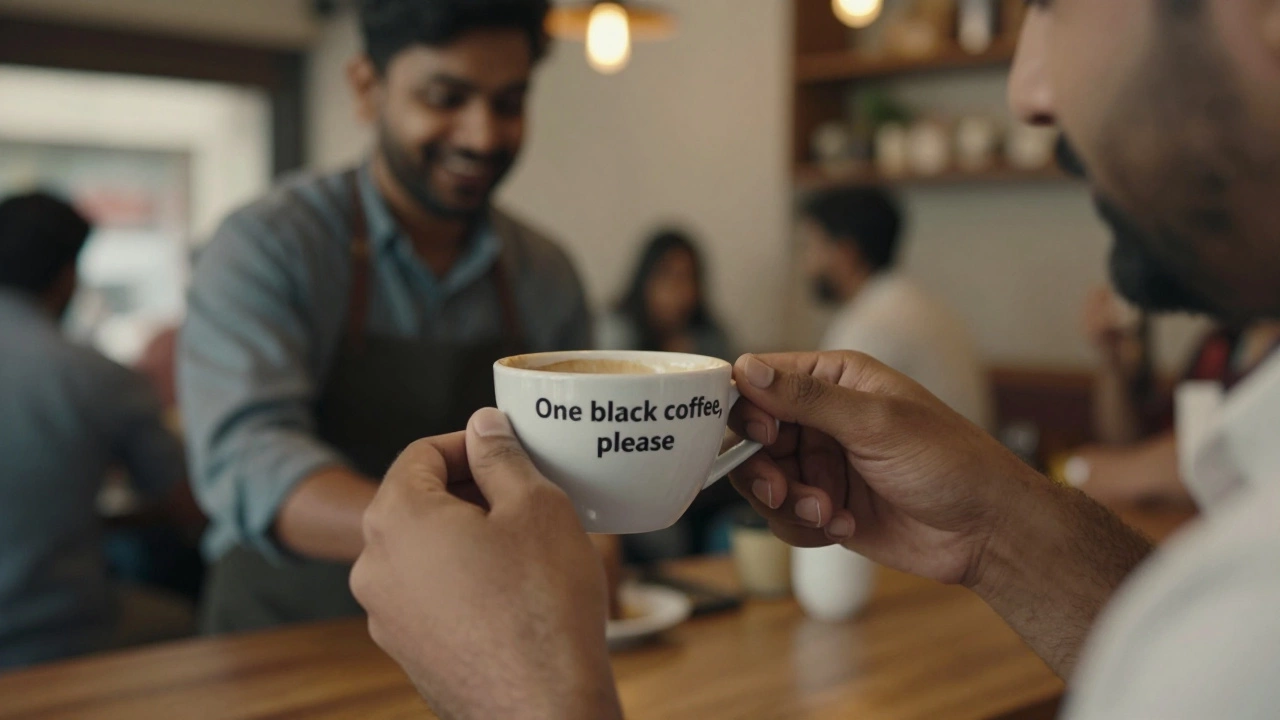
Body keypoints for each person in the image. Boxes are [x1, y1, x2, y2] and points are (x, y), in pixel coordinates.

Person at [347, 1, 1280, 718]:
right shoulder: (1232, 589)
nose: (1029, 91)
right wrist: (1000, 528)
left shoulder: (1243, 617)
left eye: (1053, 3)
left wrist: (526, 700)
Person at [178, 0, 591, 633]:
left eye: (508, 104)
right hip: (289, 627)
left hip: (483, 634)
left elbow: (576, 458)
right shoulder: (270, 247)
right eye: (445, 97)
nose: (482, 135)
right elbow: (248, 458)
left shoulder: (545, 273)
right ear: (368, 88)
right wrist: (448, 539)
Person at [0, 192, 194, 669]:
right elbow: (185, 503)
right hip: (48, 633)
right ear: (68, 276)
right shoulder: (96, 377)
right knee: (192, 618)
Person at [1065, 287, 1280, 506]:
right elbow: (1136, 443)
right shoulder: (1220, 345)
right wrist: (1112, 361)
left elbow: (1218, 460)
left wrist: (1105, 473)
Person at [799, 186, 991, 429]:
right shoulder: (919, 304)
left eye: (811, 246)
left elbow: (825, 428)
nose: (806, 265)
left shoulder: (869, 325)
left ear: (845, 253)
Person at [598, 229, 734, 361]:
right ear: (645, 279)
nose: (677, 288)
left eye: (687, 277)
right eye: (666, 275)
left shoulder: (710, 337)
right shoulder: (616, 330)